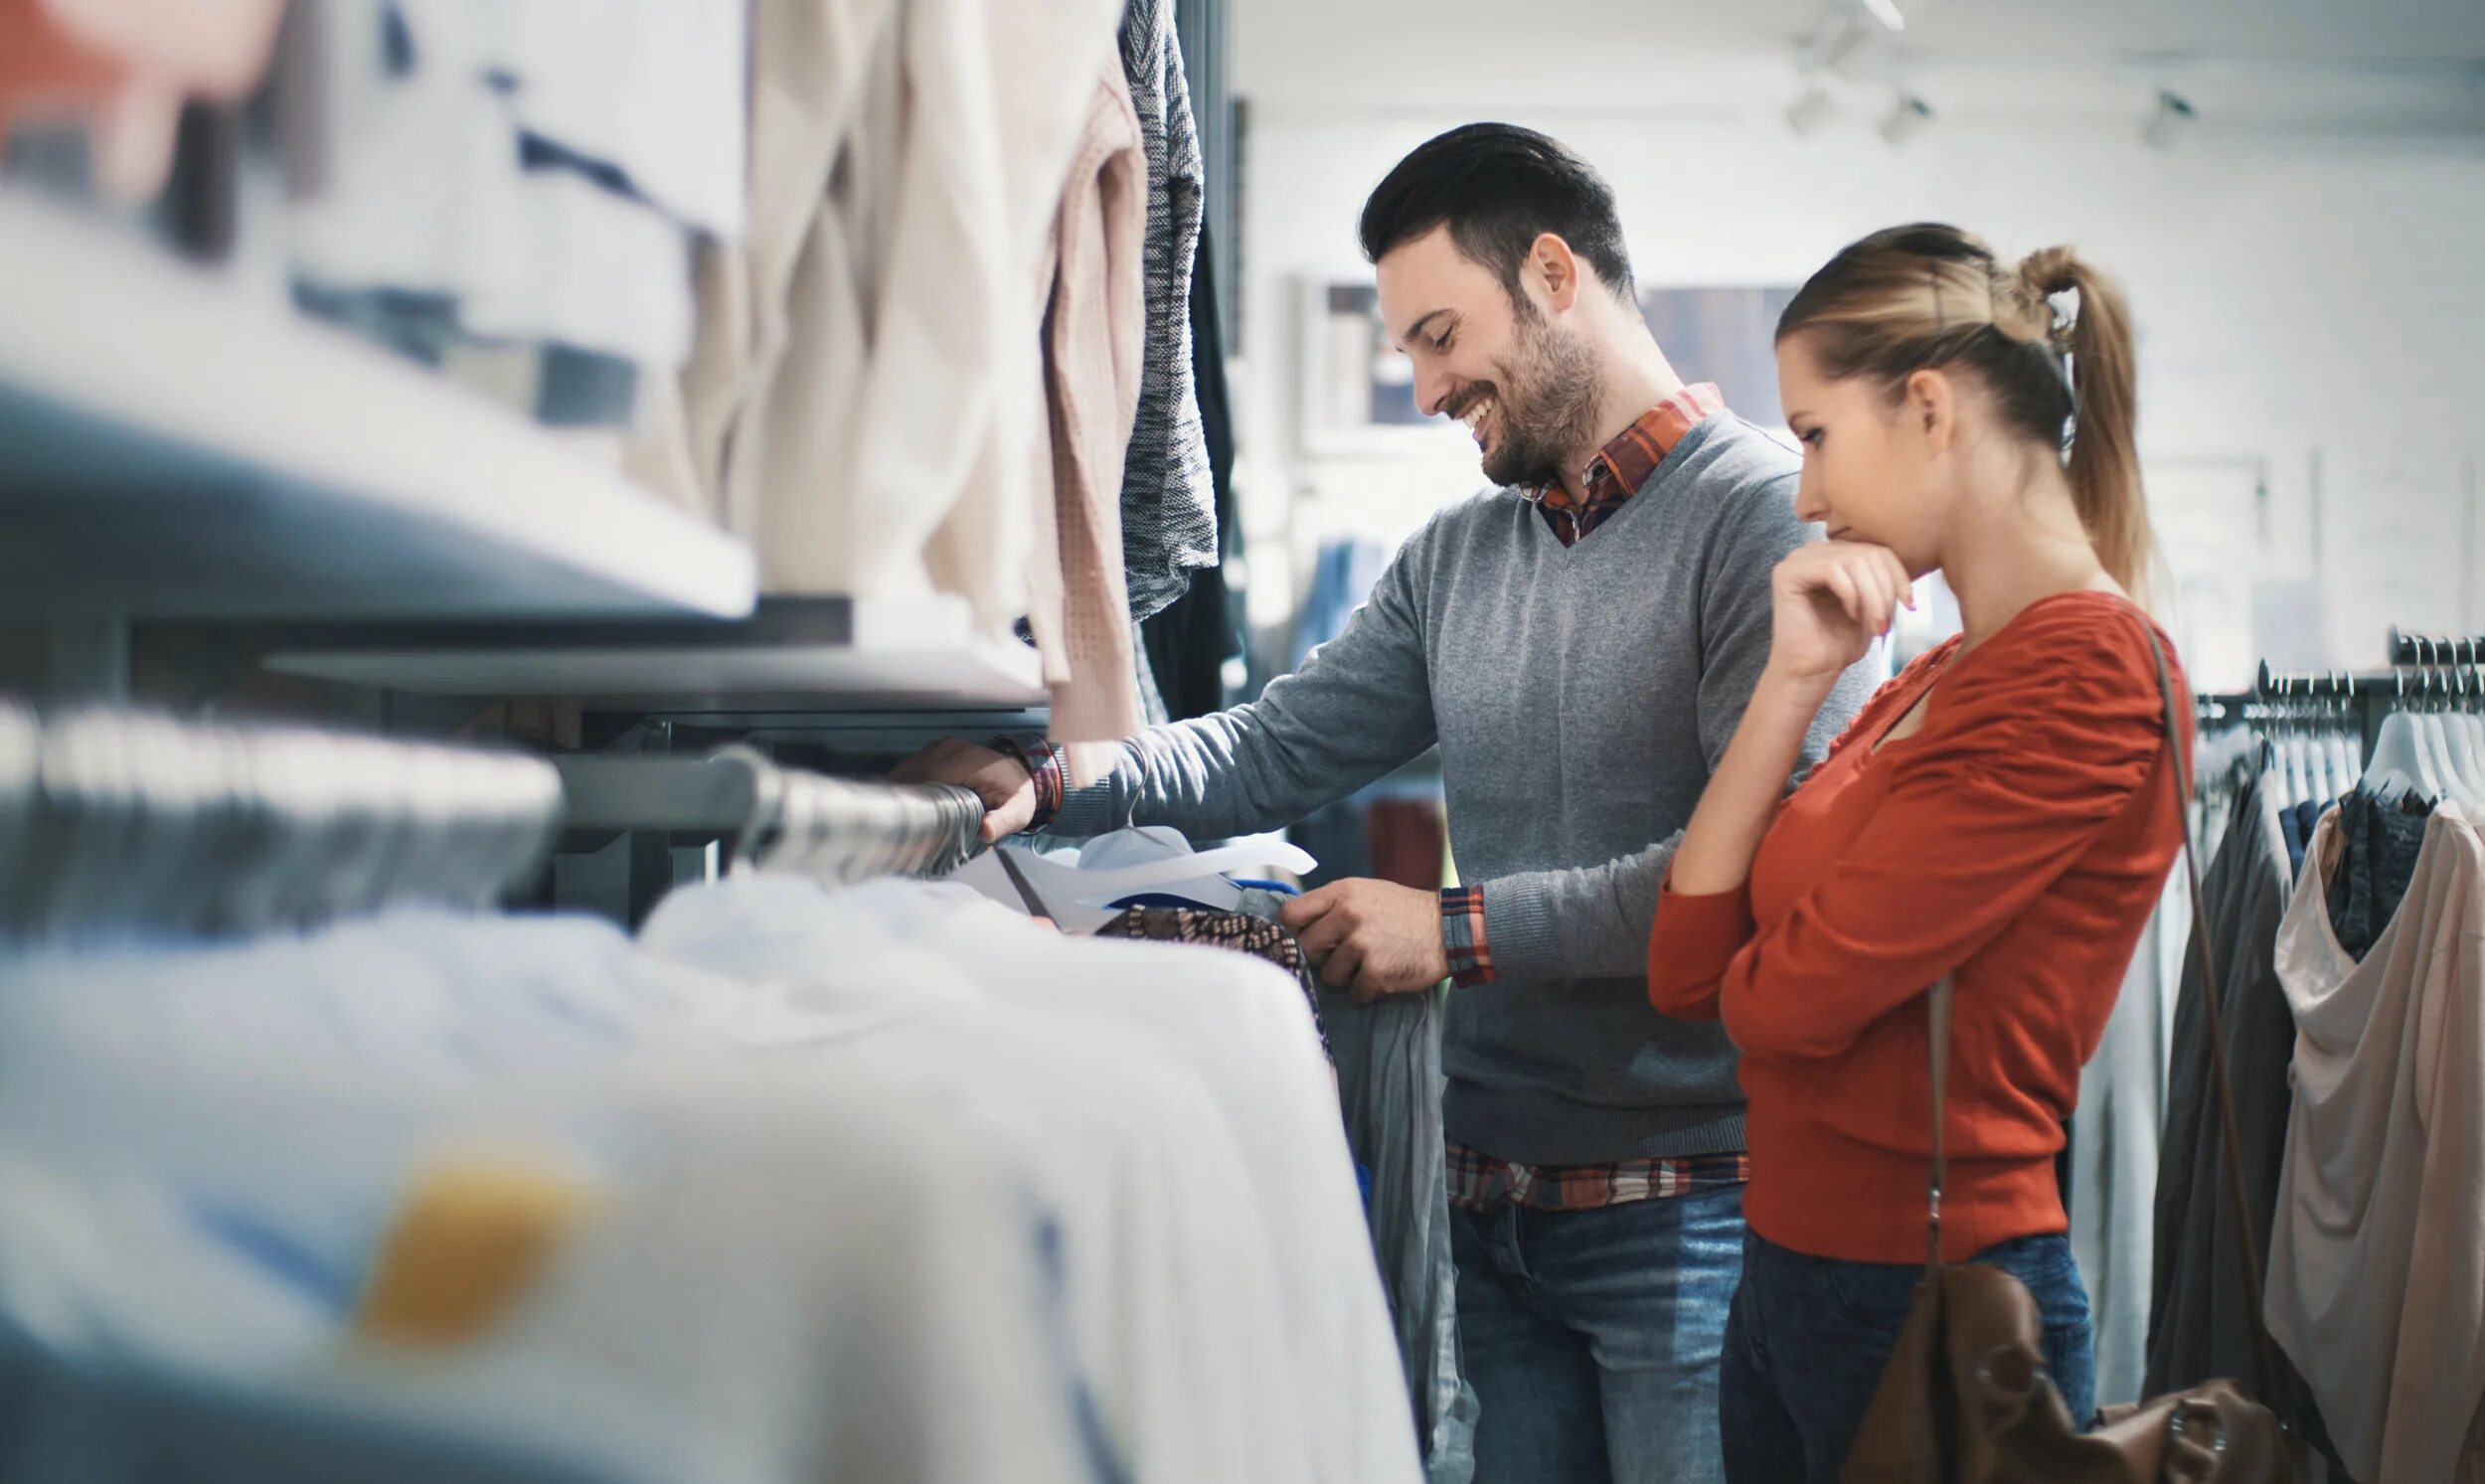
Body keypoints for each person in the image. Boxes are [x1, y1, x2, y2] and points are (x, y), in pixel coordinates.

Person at [898, 122, 1872, 1484]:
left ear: (1551, 272)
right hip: (1487, 1199)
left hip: (1690, 1212)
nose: (1423, 388)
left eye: (1436, 335)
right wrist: (1055, 779)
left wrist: (1452, 932)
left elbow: (1756, 874)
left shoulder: (1762, 521)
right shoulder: (1460, 556)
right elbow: (1273, 747)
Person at [1643, 224, 2189, 1484]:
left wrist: (1766, 976)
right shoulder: (1947, 667)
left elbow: (1783, 1003)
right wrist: (1791, 681)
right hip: (1791, 1275)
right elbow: (1688, 970)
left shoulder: (2090, 670)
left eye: (1817, 433)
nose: (1804, 494)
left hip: (1930, 1294)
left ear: (1929, 407)